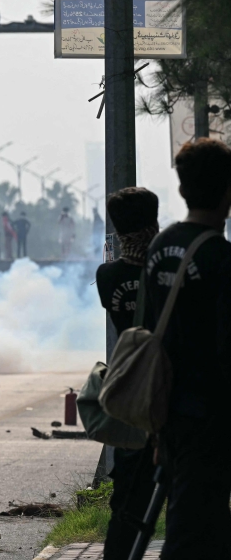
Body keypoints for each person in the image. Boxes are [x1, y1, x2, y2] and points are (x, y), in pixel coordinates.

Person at [141, 138, 231, 559]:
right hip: (211, 415)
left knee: (191, 517)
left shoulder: (159, 248)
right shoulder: (221, 257)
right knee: (194, 532)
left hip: (168, 410)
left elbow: (149, 327)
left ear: (182, 190)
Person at [95, 188, 160, 560]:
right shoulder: (168, 270)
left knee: (127, 502)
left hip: (131, 396)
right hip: (171, 392)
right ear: (154, 219)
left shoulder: (107, 276)